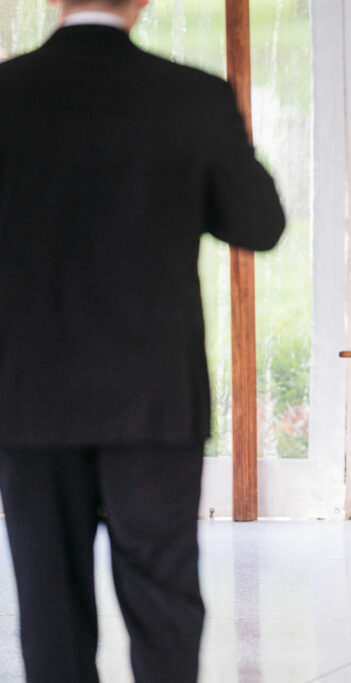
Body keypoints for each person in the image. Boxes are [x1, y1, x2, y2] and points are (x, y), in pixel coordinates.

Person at [0, 1, 286, 681]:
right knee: (164, 600)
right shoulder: (192, 96)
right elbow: (259, 222)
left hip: (28, 393)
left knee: (49, 607)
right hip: (153, 395)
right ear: (141, 2)